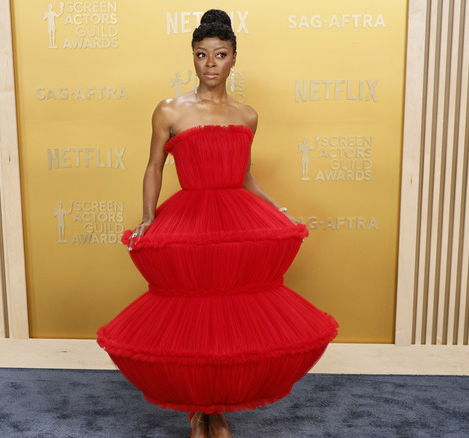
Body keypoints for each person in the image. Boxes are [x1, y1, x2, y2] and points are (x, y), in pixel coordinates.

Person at [97, 10, 338, 438]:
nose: (211, 63)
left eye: (220, 54)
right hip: (189, 222)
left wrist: (275, 209)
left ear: (233, 60)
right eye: (202, 54)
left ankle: (217, 410)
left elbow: (243, 174)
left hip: (234, 223)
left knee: (228, 320)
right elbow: (154, 166)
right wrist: (149, 216)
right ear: (192, 58)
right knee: (193, 318)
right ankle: (197, 410)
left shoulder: (247, 115)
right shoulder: (169, 110)